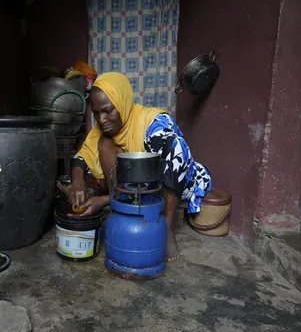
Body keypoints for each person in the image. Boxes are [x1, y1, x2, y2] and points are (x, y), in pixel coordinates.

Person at [68, 72, 212, 262]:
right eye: (96, 113)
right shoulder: (101, 129)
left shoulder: (151, 122)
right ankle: (121, 205)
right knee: (103, 143)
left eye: (108, 110)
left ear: (122, 102)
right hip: (133, 189)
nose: (101, 119)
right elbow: (81, 157)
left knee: (174, 147)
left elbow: (177, 153)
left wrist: (102, 201)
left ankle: (166, 227)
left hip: (168, 186)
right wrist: (77, 183)